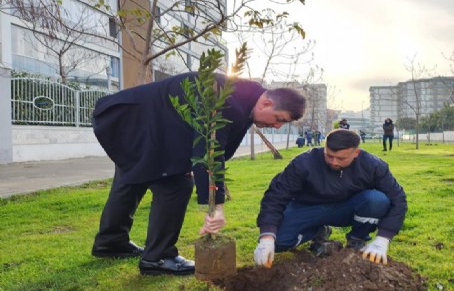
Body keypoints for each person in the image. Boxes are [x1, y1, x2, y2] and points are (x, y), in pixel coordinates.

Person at [90, 72, 306, 276]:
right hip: (132, 121)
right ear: (266, 103)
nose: (277, 126)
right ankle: (158, 257)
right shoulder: (227, 102)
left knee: (131, 177)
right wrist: (216, 206)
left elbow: (214, 146)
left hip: (134, 123)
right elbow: (210, 151)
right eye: (279, 119)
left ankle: (111, 242)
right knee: (176, 186)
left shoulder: (245, 96)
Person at [253, 129, 407, 267]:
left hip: (346, 209)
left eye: (341, 159)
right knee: (278, 241)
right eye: (329, 155)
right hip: (307, 208)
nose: (334, 162)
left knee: (377, 200)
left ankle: (357, 240)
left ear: (356, 153)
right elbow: (276, 196)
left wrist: (383, 238)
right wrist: (267, 235)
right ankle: (317, 231)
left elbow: (398, 199)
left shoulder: (373, 166)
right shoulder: (303, 163)